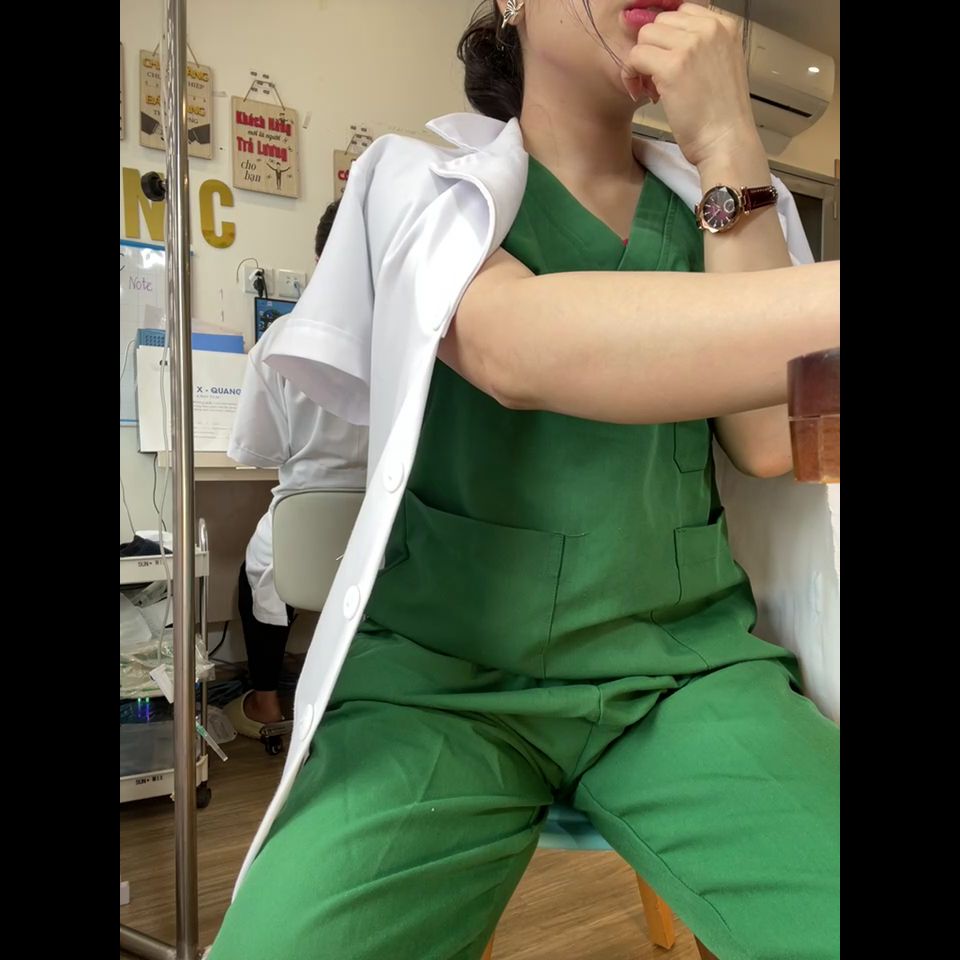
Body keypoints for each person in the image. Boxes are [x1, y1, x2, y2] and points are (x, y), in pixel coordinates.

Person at [212, 3, 840, 959]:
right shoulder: (418, 182)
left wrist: (727, 140)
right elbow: (520, 349)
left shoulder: (720, 200)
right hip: (439, 683)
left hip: (682, 671)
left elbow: (764, 437)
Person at [223, 199, 367, 740]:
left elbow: (257, 451)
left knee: (256, 567)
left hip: (307, 529)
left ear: (321, 259)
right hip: (389, 526)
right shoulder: (416, 338)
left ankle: (264, 702)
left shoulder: (281, 338)